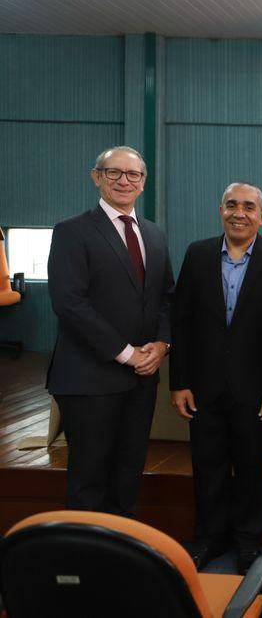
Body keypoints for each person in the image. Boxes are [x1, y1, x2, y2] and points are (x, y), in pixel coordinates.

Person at [169, 182, 262, 574]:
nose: (239, 213)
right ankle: (210, 537)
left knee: (252, 466)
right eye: (231, 205)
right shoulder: (198, 253)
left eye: (248, 207)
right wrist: (179, 382)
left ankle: (247, 540)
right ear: (221, 210)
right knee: (207, 464)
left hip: (255, 389)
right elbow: (182, 320)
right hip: (203, 385)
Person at [46, 146, 174, 517]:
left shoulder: (154, 234)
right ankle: (87, 552)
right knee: (89, 481)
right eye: (113, 172)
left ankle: (119, 547)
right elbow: (70, 303)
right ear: (96, 177)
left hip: (141, 380)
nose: (124, 181)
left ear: (143, 182)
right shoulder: (72, 232)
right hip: (89, 379)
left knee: (128, 476)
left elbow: (166, 296)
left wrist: (162, 344)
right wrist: (128, 354)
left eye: (133, 174)